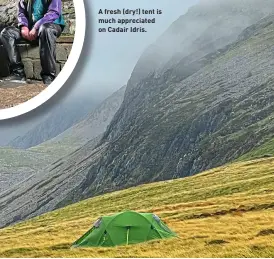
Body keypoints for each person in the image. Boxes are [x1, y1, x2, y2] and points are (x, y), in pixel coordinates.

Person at [0, 0, 65, 85]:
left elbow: (53, 13)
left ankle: (49, 76)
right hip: (31, 30)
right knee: (6, 32)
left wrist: (36, 27)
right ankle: (18, 73)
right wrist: (24, 26)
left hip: (50, 26)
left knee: (46, 29)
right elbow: (21, 13)